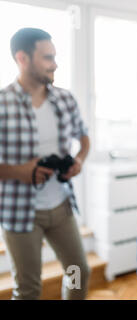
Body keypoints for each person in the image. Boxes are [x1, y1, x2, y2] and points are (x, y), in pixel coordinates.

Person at [0, 28, 91, 300]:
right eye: (47, 57)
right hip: (19, 211)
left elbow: (84, 137)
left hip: (61, 207)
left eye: (55, 56)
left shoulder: (64, 99)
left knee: (78, 273)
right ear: (22, 59)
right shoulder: (2, 103)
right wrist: (21, 171)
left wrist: (79, 160)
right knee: (28, 289)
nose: (55, 64)